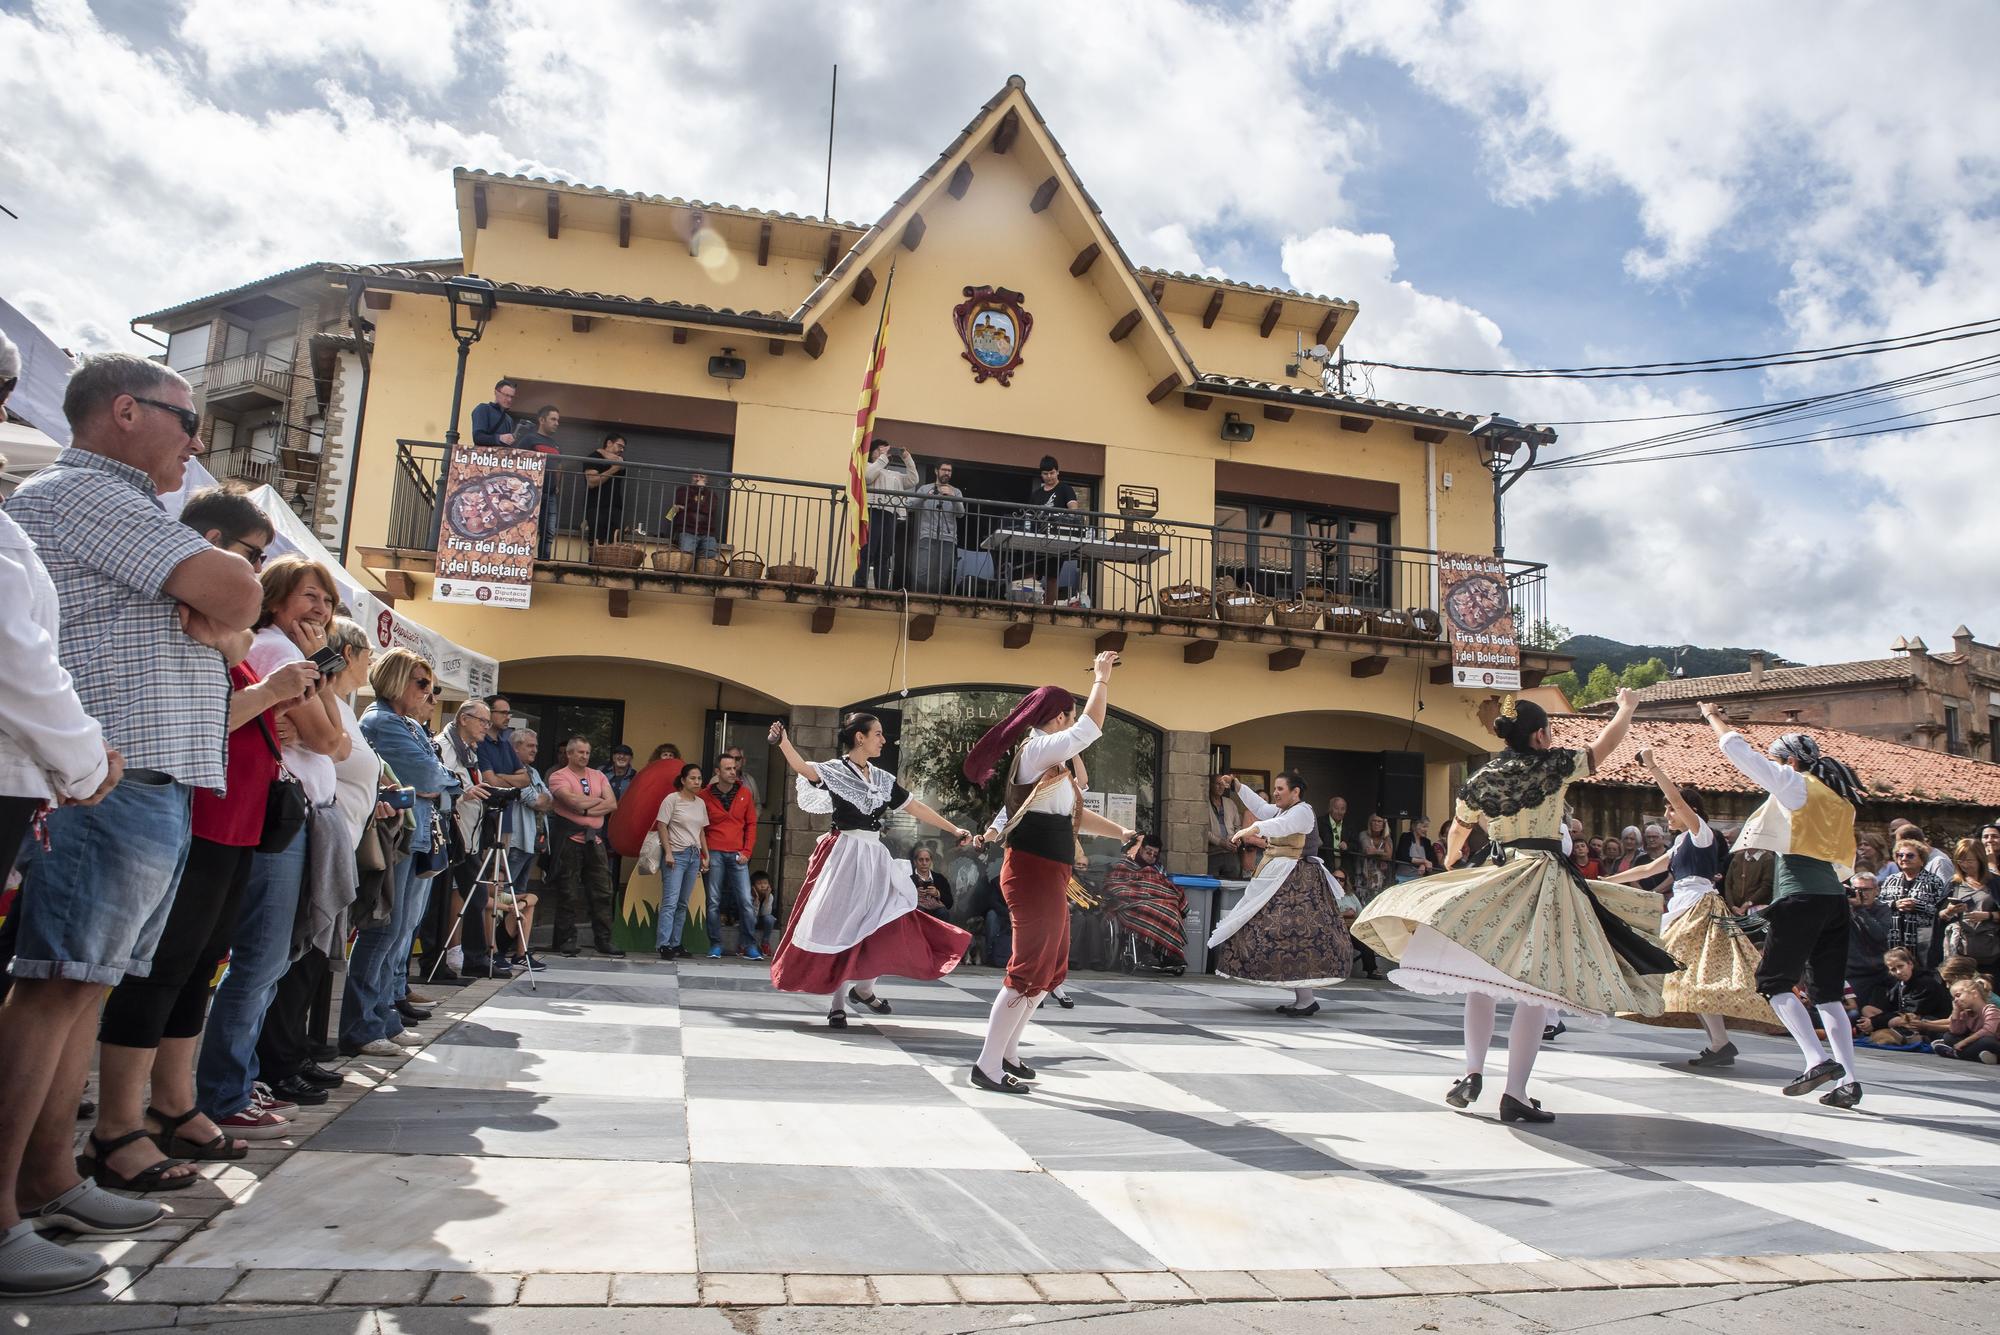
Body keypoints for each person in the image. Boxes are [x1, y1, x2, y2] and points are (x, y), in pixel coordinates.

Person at [0, 354, 264, 1294]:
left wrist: (222, 615)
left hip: (136, 777)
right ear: (123, 411)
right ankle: (5, 1211)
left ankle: (50, 1177)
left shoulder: (122, 506)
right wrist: (220, 609)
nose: (197, 440)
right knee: (57, 985)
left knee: (85, 985)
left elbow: (234, 617)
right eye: (185, 419)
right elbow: (239, 598)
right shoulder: (88, 491)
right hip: (104, 780)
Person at [87, 491, 306, 1194]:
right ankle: (120, 1122)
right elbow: (211, 716)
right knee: (160, 969)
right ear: (210, 544)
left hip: (233, 823)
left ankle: (174, 1103)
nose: (254, 577)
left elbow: (236, 669)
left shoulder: (227, 633)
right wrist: (270, 690)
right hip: (199, 814)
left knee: (198, 965)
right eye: (250, 557)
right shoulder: (183, 621)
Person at [1356, 690, 1677, 1123]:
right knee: (1536, 990)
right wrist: (1626, 709)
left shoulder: (1483, 777)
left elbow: (1458, 832)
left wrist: (1453, 862)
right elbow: (1604, 746)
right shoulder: (1554, 765)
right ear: (1540, 735)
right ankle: (1515, 1093)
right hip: (1542, 877)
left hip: (1498, 872)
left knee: (1480, 979)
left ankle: (1472, 1072)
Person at [962, 653, 1132, 1093]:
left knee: (1049, 969)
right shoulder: (1037, 749)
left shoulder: (1051, 764)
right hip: (1032, 872)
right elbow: (1090, 728)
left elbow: (1072, 816)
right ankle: (987, 1065)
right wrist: (1101, 680)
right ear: (1059, 718)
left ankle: (1007, 1053)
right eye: (1069, 717)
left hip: (1050, 873)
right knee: (1028, 970)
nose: (1073, 726)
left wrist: (1121, 832)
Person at [1700, 707, 1866, 1108]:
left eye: (1778, 761)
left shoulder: (1797, 785)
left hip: (1801, 896)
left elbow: (1740, 753)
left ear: (1790, 761)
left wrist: (1713, 718)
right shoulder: (1841, 799)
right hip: (1834, 900)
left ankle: (1816, 1060)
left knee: (1773, 982)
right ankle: (1849, 1081)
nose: (1775, 768)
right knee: (1827, 994)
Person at [766, 715, 973, 1027]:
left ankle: (864, 988)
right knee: (842, 924)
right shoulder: (836, 770)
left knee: (886, 918)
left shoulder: (882, 778)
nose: (883, 740)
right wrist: (783, 742)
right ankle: (838, 1003)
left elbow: (914, 806)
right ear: (859, 738)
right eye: (878, 734)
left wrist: (953, 828)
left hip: (874, 856)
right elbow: (804, 769)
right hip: (845, 855)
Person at [1605, 747, 1770, 1066]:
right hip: (1685, 907)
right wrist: (1608, 880)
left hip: (1698, 907)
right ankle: (1720, 1044)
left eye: (1671, 810)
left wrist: (1653, 767)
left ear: (1690, 810)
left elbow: (1678, 801)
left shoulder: (1701, 833)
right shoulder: (1682, 842)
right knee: (1688, 975)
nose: (1668, 815)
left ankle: (1720, 1043)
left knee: (1686, 972)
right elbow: (1647, 869)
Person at [345, 650, 458, 1056]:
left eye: (431, 685)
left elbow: (443, 782)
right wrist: (436, 783)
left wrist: (437, 783)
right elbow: (430, 776)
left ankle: (383, 1018)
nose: (429, 692)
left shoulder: (404, 723)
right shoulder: (383, 722)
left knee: (396, 934)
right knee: (383, 933)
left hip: (413, 836)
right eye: (422, 683)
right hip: (395, 838)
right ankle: (363, 1025)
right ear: (395, 680)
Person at [1209, 771, 1353, 1015]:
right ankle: (1304, 999)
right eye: (1275, 788)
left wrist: (1250, 829)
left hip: (1300, 882)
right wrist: (1237, 786)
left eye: (1280, 789)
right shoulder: (1282, 810)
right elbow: (1261, 807)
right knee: (1288, 937)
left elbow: (1280, 826)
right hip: (1285, 880)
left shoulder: (1302, 812)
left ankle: (1306, 1000)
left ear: (1295, 792)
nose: (1275, 793)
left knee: (1296, 937)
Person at [545, 736, 621, 957]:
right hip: (569, 839)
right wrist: (596, 803)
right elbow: (572, 802)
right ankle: (566, 940)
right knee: (568, 891)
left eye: (587, 752)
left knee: (603, 891)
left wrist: (585, 809)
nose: (584, 756)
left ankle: (604, 940)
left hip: (595, 840)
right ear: (569, 753)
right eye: (580, 752)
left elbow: (612, 804)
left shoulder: (598, 775)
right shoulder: (559, 776)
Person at [701, 752, 761, 960]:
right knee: (713, 901)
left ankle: (749, 945)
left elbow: (751, 824)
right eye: (728, 769)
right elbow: (699, 827)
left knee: (745, 900)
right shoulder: (705, 796)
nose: (733, 772)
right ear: (717, 772)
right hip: (714, 851)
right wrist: (703, 854)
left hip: (737, 853)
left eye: (734, 768)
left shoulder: (745, 793)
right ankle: (715, 944)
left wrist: (747, 851)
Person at [1103, 834, 1187, 973]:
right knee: (1147, 908)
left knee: (1172, 909)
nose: (1151, 857)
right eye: (1149, 852)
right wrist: (1139, 893)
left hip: (1157, 900)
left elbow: (1164, 886)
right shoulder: (1124, 864)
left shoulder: (1158, 869)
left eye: (1155, 855)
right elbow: (1115, 884)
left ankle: (1169, 953)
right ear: (1141, 849)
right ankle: (1144, 949)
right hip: (1133, 902)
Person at [652, 762, 709, 960]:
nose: (697, 782)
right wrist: (668, 852)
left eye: (699, 778)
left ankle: (675, 943)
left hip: (693, 855)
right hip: (676, 854)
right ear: (683, 780)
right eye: (692, 778)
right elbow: (661, 826)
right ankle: (663, 944)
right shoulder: (672, 799)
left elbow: (701, 831)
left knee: (683, 903)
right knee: (670, 901)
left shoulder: (700, 803)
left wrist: (705, 854)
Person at [1858, 947, 1953, 1045]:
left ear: (1910, 964)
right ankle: (1884, 1031)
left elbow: (1911, 1013)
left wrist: (1875, 1022)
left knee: (1899, 1020)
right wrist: (1872, 1021)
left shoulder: (1925, 983)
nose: (1898, 972)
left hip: (1929, 1020)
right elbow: (1889, 1007)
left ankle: (1907, 1036)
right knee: (1867, 1009)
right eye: (1893, 969)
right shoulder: (1900, 984)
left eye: (1900, 966)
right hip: (1905, 1017)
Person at [1878, 837, 1950, 966]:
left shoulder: (1933, 881)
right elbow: (1880, 904)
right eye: (1900, 855)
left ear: (1922, 860)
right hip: (1894, 938)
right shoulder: (1890, 880)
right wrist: (1894, 904)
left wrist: (1918, 906)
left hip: (1922, 941)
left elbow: (1939, 911)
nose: (1904, 858)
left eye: (1910, 856)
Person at [861, 440, 918, 589]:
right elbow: (868, 477)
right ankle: (860, 586)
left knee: (885, 553)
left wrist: (906, 457)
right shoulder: (867, 466)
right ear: (872, 452)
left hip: (890, 513)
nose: (883, 453)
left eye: (885, 450)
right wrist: (883, 457)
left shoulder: (894, 474)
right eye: (879, 450)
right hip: (873, 511)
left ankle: (882, 588)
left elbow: (913, 480)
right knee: (868, 550)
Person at [1940, 836, 2000, 968]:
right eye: (1960, 861)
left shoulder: (1995, 883)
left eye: (1969, 861)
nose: (1965, 865)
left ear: (1980, 859)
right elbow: (1939, 916)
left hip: (1992, 951)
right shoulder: (1954, 884)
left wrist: (1988, 915)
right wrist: (1949, 911)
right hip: (1961, 951)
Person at [908, 460, 966, 594]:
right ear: (936, 471)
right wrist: (925, 497)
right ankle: (920, 599)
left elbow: (961, 514)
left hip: (948, 538)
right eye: (944, 470)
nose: (947, 473)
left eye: (949, 471)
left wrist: (953, 497)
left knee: (943, 575)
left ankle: (936, 601)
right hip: (927, 535)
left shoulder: (956, 491)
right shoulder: (925, 489)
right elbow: (910, 506)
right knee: (923, 571)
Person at [1845, 873, 1896, 1016]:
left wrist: (1859, 909)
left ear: (1877, 891)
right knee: (1855, 1014)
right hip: (1854, 972)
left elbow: (1879, 935)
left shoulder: (1882, 909)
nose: (1862, 894)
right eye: (1857, 889)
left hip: (1879, 969)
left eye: (1866, 889)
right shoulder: (1843, 908)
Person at [1931, 977, 2000, 1062]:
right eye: (1954, 998)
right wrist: (1956, 1012)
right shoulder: (1966, 1013)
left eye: (1958, 995)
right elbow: (1956, 1031)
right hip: (1978, 1044)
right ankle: (1985, 1057)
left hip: (1994, 1042)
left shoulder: (1991, 1009)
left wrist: (1964, 1042)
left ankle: (1956, 1054)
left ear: (1974, 993)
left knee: (1987, 1041)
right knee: (1948, 1036)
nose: (1955, 1000)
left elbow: (1988, 1031)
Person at [581, 432, 627, 544]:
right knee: (597, 543)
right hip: (596, 506)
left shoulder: (620, 461)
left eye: (623, 448)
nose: (622, 450)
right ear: (609, 443)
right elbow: (592, 482)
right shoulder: (593, 457)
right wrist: (613, 470)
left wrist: (601, 451)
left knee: (616, 544)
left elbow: (620, 462)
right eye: (619, 445)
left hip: (615, 507)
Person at [671, 471, 719, 560]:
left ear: (706, 480)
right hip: (687, 530)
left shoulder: (711, 494)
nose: (698, 479)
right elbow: (680, 503)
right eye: (695, 476)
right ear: (691, 478)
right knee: (686, 557)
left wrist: (687, 507)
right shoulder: (683, 490)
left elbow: (708, 509)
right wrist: (697, 490)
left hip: (707, 532)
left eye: (701, 477)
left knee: (710, 555)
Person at [1205, 774, 1241, 879]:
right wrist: (1220, 842)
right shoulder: (1204, 803)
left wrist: (1237, 839)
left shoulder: (1230, 803)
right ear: (1210, 785)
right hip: (1212, 853)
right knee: (1213, 884)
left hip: (1231, 853)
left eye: (1223, 784)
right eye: (1217, 784)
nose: (1221, 787)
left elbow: (1238, 826)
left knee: (1232, 883)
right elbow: (1202, 829)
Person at [469, 378, 520, 447]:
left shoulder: (509, 419)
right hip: (484, 454)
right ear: (496, 393)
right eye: (506, 395)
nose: (509, 399)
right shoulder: (483, 409)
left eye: (512, 397)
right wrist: (499, 438)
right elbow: (477, 437)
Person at [911, 846, 953, 920]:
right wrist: (914, 894)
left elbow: (950, 903)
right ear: (915, 861)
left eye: (927, 860)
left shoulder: (940, 878)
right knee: (919, 911)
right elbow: (900, 902)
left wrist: (937, 893)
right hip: (916, 914)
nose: (924, 863)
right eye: (921, 860)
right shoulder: (909, 879)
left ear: (931, 861)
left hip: (938, 914)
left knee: (943, 912)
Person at [1356, 814, 1393, 897]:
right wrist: (1383, 852)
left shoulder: (1387, 838)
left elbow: (1389, 856)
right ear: (1370, 823)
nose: (1376, 823)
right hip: (1364, 874)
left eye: (1379, 821)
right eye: (1374, 821)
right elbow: (1368, 851)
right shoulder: (1364, 834)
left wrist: (1386, 835)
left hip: (1381, 876)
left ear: (1384, 825)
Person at [748, 871, 779, 954]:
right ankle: (750, 943)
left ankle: (765, 943)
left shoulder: (770, 896)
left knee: (770, 918)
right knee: (752, 919)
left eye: (765, 883)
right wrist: (756, 900)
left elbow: (766, 913)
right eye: (759, 884)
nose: (762, 886)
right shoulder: (749, 896)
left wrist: (766, 898)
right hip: (751, 920)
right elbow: (753, 915)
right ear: (753, 886)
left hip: (762, 920)